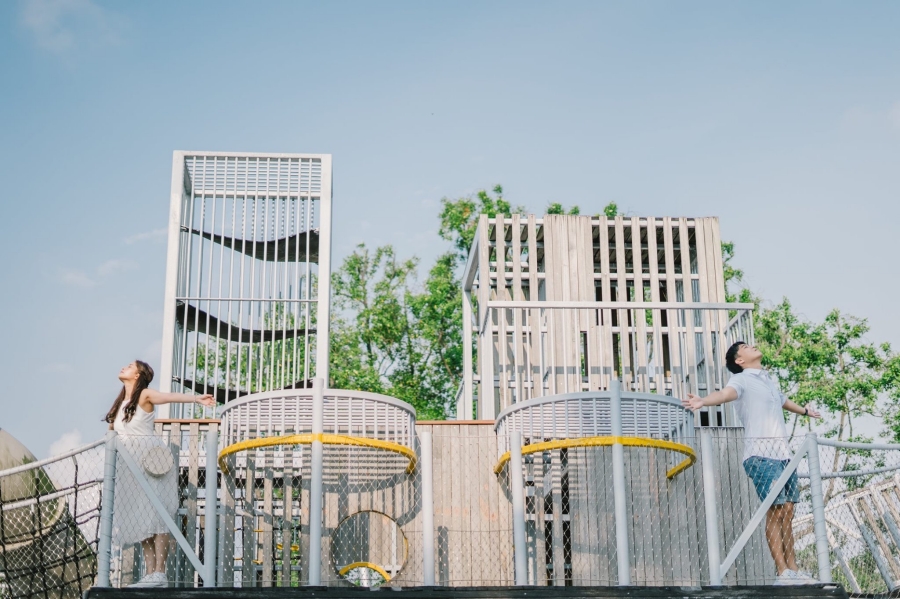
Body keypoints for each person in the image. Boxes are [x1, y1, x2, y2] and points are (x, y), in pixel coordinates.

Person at [681, 342, 822, 586]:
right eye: (746, 347)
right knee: (775, 509)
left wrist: (805, 412)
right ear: (740, 361)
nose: (753, 346)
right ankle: (782, 573)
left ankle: (794, 570)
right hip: (761, 455)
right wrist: (703, 401)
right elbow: (725, 394)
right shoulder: (742, 380)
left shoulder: (767, 380)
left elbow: (782, 400)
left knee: (788, 510)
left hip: (784, 455)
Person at [103, 360, 214, 588]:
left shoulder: (144, 395)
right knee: (141, 517)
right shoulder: (120, 404)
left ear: (137, 375)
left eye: (129, 366)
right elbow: (113, 435)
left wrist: (196, 398)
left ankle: (160, 572)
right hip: (131, 466)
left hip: (152, 462)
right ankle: (150, 574)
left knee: (158, 514)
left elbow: (167, 396)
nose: (123, 367)